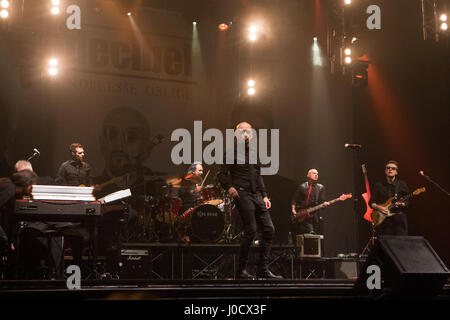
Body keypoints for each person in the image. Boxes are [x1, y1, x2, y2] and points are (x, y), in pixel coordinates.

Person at [218, 121, 282, 279]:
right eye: (242, 132)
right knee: (251, 230)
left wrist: (265, 195)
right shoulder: (230, 153)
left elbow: (258, 176)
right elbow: (222, 174)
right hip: (242, 193)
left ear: (252, 135)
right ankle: (240, 271)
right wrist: (229, 187)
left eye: (248, 132)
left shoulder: (254, 153)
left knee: (269, 229)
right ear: (236, 135)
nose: (245, 134)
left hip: (257, 195)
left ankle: (263, 269)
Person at [369, 160, 409, 235]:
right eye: (388, 168)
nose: (390, 169)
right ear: (385, 171)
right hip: (384, 220)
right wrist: (379, 207)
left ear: (396, 172)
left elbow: (407, 201)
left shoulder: (402, 185)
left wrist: (402, 204)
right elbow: (371, 202)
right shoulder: (378, 185)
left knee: (401, 243)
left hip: (399, 219)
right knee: (386, 243)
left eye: (393, 168)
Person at [290, 169, 329, 235]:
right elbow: (295, 199)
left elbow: (322, 201)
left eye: (317, 174)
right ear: (308, 175)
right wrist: (293, 209)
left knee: (314, 235)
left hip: (315, 215)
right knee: (304, 235)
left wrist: (324, 204)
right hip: (302, 214)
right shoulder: (302, 186)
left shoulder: (321, 187)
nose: (316, 175)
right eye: (314, 173)